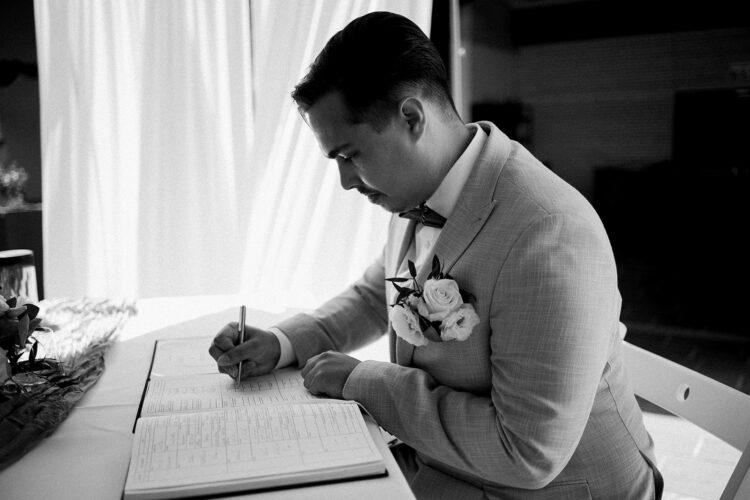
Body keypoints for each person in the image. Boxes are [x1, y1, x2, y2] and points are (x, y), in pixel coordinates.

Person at [209, 11, 662, 499]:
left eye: (350, 155)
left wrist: (364, 381)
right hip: (447, 462)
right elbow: (375, 296)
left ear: (411, 118)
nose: (345, 182)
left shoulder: (549, 233)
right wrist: (281, 343)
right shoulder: (415, 189)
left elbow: (527, 453)